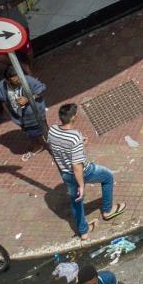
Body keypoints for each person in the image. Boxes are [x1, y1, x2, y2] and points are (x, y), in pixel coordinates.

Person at [48, 102, 124, 238]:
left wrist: (79, 145)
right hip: (84, 171)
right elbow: (77, 166)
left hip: (66, 174)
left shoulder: (52, 130)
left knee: (76, 201)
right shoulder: (75, 136)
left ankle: (83, 231)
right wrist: (82, 186)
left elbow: (59, 146)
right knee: (107, 177)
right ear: (72, 118)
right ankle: (108, 210)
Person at [0, 69, 48, 152]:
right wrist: (9, 113)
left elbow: (41, 89)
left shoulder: (28, 80)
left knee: (37, 130)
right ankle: (41, 141)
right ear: (7, 80)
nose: (18, 82)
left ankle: (40, 145)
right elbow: (2, 99)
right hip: (19, 116)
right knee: (29, 131)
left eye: (19, 79)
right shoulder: (2, 85)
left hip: (34, 114)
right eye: (15, 81)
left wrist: (29, 98)